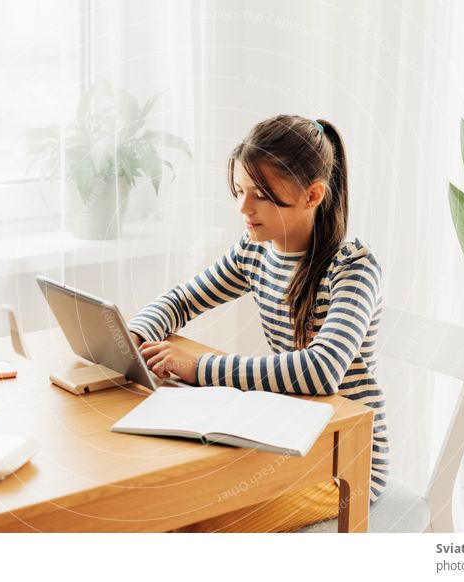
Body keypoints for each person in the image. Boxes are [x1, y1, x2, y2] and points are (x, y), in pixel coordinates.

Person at [126, 114, 388, 532]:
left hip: (345, 468)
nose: (244, 209)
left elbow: (321, 370)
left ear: (312, 194)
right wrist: (133, 336)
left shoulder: (353, 267)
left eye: (261, 196)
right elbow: (180, 299)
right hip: (288, 439)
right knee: (174, 507)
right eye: (239, 191)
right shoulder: (255, 251)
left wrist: (198, 369)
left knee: (199, 523)